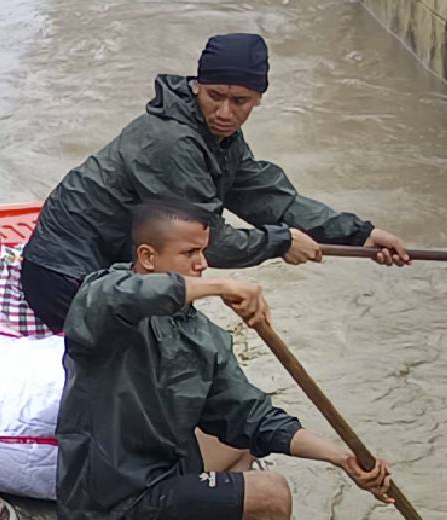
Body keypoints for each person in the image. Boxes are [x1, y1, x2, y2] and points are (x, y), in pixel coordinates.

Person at [55, 199, 393, 520]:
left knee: (240, 447)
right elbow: (127, 296)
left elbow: (253, 416)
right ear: (147, 257)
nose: (202, 264)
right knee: (272, 495)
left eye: (204, 253)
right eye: (189, 254)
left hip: (162, 476)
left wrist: (341, 458)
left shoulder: (203, 337)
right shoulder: (102, 304)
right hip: (110, 500)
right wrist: (221, 285)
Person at [20, 32, 411, 332]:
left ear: (258, 99)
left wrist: (359, 234)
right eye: (215, 96)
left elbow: (268, 197)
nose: (224, 112)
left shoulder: (220, 137)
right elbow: (209, 242)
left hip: (112, 268)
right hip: (64, 276)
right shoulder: (171, 141)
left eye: (240, 102)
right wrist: (281, 242)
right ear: (197, 86)